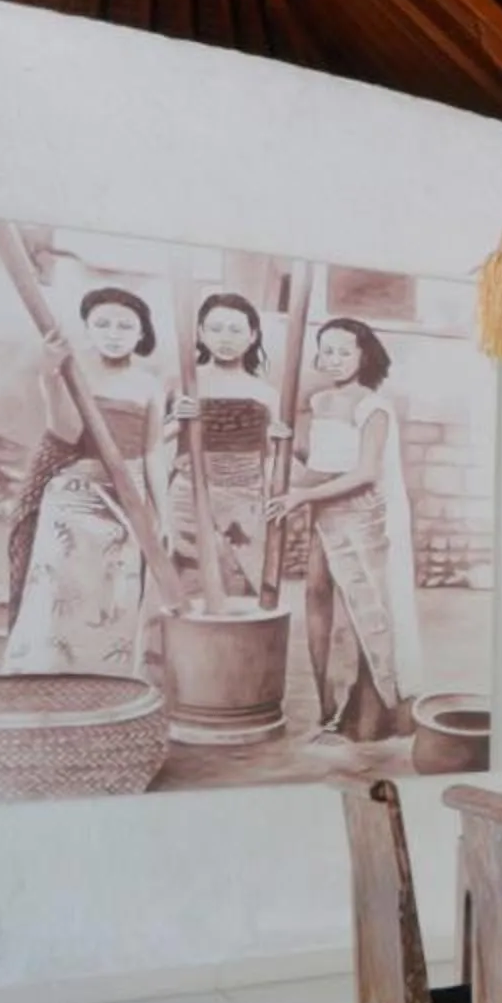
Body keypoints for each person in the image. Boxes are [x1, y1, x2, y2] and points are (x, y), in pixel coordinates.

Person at [2, 286, 170, 678]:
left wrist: (163, 517)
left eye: (125, 325)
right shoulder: (72, 373)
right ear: (88, 330)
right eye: (103, 324)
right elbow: (66, 431)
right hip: (74, 496)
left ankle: (107, 683)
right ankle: (47, 679)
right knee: (60, 589)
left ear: (142, 333)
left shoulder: (149, 385)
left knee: (117, 592)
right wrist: (50, 378)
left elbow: (152, 454)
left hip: (128, 498)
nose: (114, 332)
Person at [275, 317, 424, 742]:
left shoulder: (373, 405)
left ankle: (368, 714)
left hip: (362, 512)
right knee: (316, 596)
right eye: (327, 351)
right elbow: (317, 461)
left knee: (365, 609)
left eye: (345, 351)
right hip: (325, 510)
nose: (334, 359)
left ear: (363, 355)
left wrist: (302, 496)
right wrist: (283, 441)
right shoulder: (319, 402)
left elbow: (364, 471)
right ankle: (326, 705)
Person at [166, 291, 282, 602]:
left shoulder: (265, 393)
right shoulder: (183, 384)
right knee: (189, 583)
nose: (225, 338)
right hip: (189, 497)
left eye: (235, 330)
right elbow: (153, 443)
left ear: (253, 335)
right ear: (201, 334)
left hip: (244, 500)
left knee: (239, 583)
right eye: (215, 329)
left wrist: (274, 499)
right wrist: (175, 420)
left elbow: (270, 458)